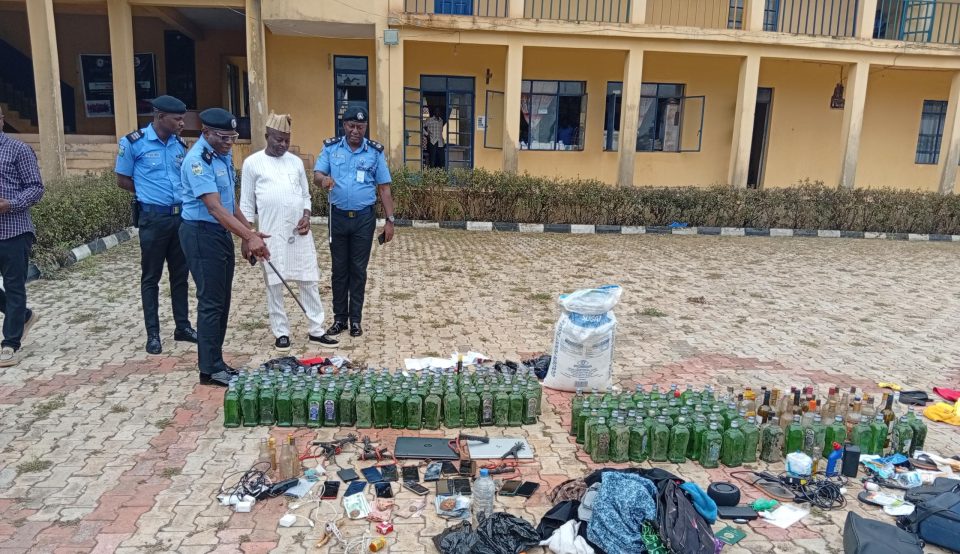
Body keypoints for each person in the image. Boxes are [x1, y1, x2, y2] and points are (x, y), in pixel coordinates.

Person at [179, 108, 270, 387]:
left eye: (233, 136)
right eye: (223, 136)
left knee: (222, 301)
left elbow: (230, 204)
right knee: (211, 303)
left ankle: (216, 362)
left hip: (219, 233)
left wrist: (247, 235)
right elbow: (215, 207)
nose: (229, 141)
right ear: (205, 133)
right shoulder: (198, 160)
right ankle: (209, 369)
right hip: (200, 233)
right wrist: (249, 236)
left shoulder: (222, 155)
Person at [240, 113, 338, 352]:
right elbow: (245, 205)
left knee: (308, 280)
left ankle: (317, 329)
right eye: (278, 139)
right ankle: (281, 332)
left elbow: (305, 195)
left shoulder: (295, 162)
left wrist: (306, 216)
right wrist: (247, 236)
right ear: (267, 137)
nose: (283, 144)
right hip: (269, 233)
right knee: (274, 283)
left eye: (286, 140)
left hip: (299, 233)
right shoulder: (252, 163)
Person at [115, 95, 197, 355]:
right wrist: (148, 195)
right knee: (151, 277)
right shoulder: (133, 143)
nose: (182, 123)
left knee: (180, 275)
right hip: (153, 218)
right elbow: (122, 179)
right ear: (160, 117)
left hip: (179, 217)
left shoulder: (179, 145)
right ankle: (153, 334)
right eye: (177, 118)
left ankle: (182, 327)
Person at [313, 106, 395, 338]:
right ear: (344, 126)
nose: (355, 131)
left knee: (358, 270)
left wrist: (390, 220)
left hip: (363, 219)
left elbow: (384, 188)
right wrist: (324, 181)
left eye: (360, 126)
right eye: (351, 126)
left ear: (365, 127)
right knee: (339, 270)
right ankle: (340, 319)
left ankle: (355, 320)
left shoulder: (375, 152)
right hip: (337, 216)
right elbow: (317, 174)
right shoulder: (331, 148)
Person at [0, 105, 43, 368]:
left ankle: (9, 344)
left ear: (2, 120)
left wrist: (10, 204)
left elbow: (36, 188)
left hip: (14, 231)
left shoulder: (18, 150)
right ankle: (25, 316)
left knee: (15, 287)